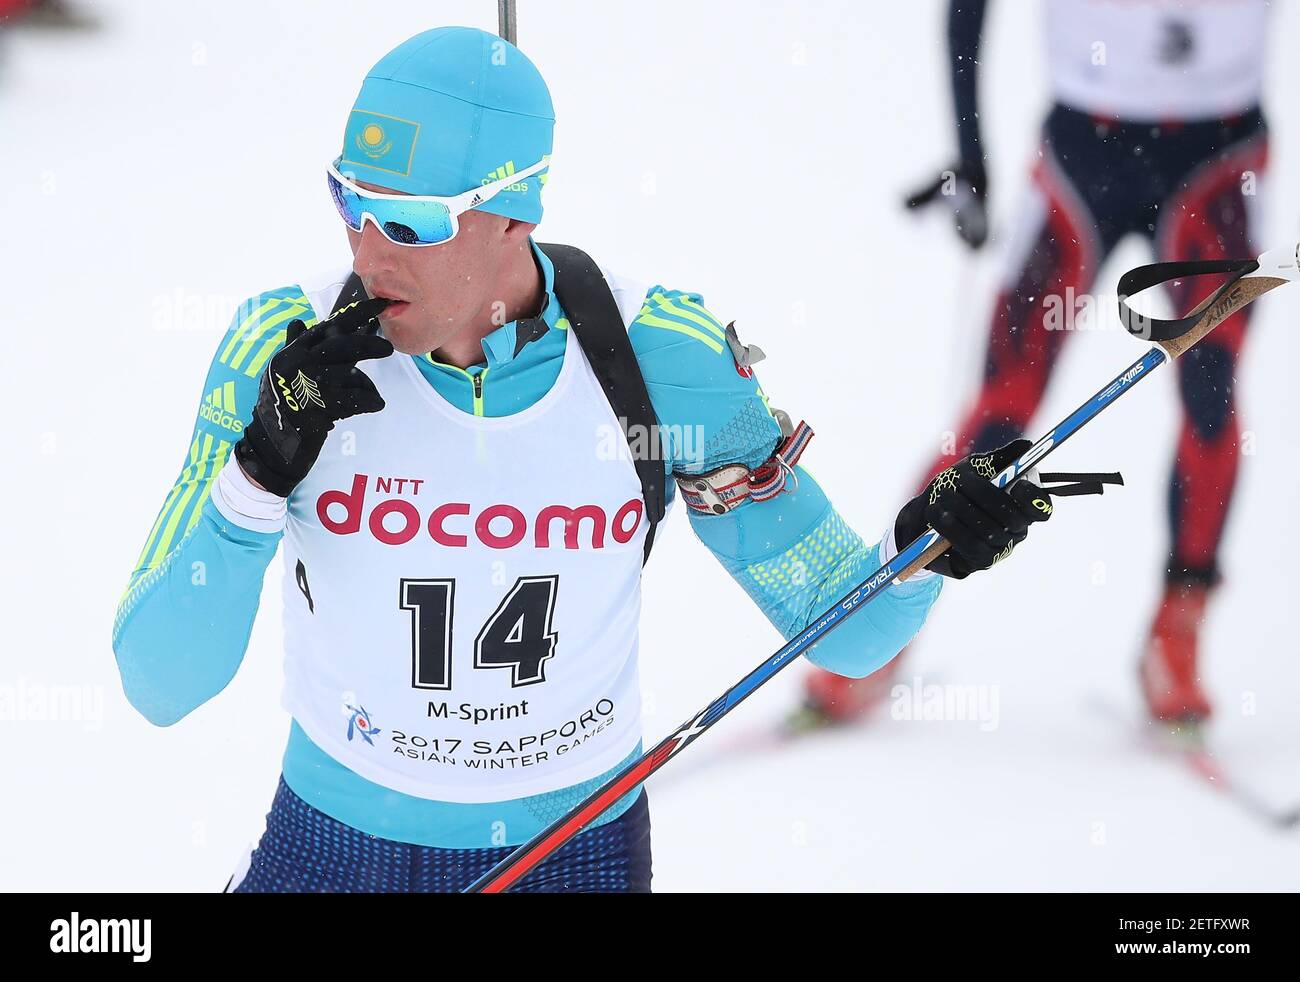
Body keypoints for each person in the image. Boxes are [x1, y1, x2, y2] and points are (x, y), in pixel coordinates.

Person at [113, 26, 1069, 893]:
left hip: (569, 853)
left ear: (514, 212)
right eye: (349, 206)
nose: (370, 256)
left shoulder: (661, 360)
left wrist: (930, 549)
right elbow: (158, 683)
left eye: (410, 224)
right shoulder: (283, 351)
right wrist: (255, 480)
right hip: (330, 848)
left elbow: (849, 634)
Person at [799, 0, 1271, 730]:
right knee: (1000, 412)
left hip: (1219, 156)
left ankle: (1179, 627)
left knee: (1211, 395)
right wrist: (971, 154)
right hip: (1086, 157)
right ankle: (882, 615)